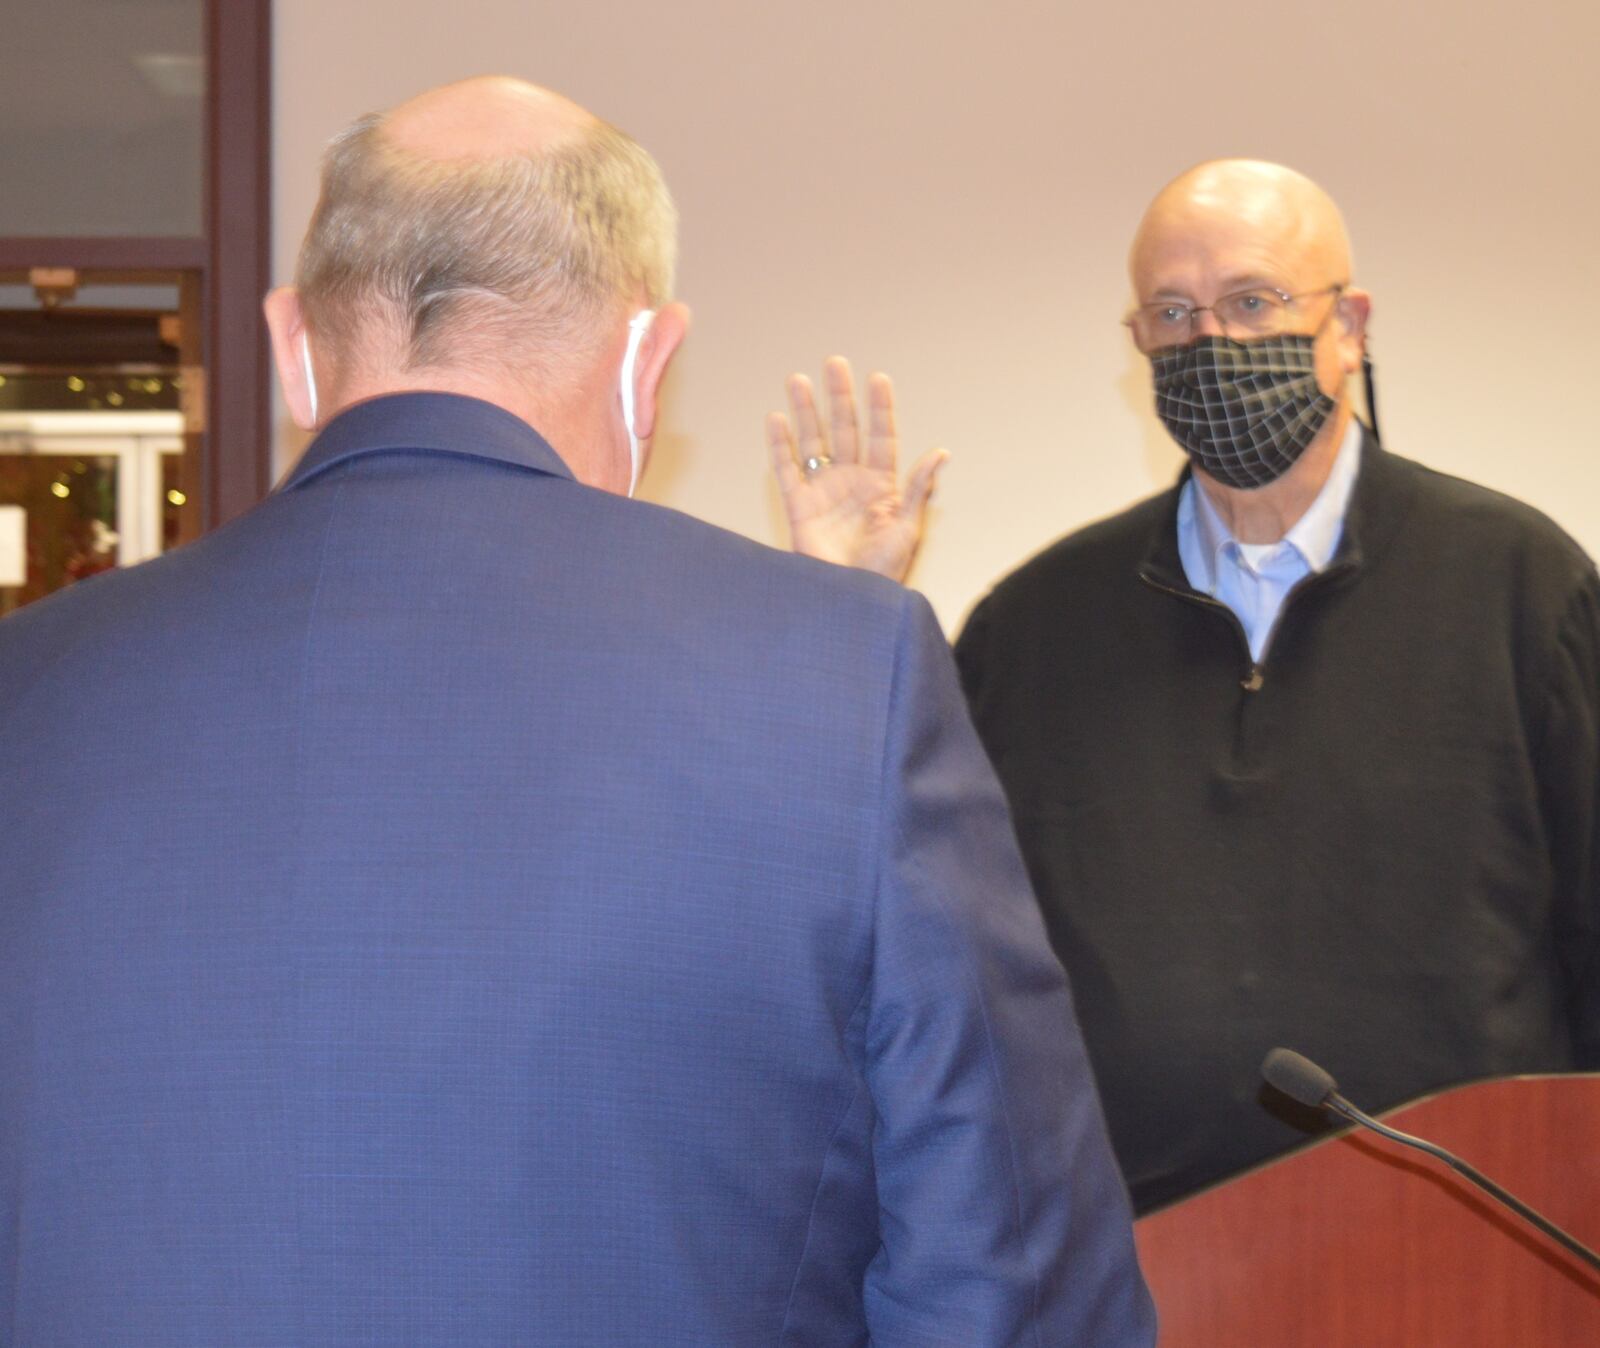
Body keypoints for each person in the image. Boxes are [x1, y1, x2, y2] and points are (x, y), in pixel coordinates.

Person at [0, 78, 1157, 1343]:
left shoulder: (32, 687)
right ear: (645, 363)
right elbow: (1009, 1289)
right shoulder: (849, 672)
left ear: (290, 345)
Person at [769, 159, 1600, 1215]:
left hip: (1462, 1251)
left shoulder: (1518, 585)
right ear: (1139, 346)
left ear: (1348, 325)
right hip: (1136, 1259)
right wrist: (842, 618)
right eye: (1172, 313)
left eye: (1251, 302)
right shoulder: (1033, 627)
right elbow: (912, 932)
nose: (1210, 342)